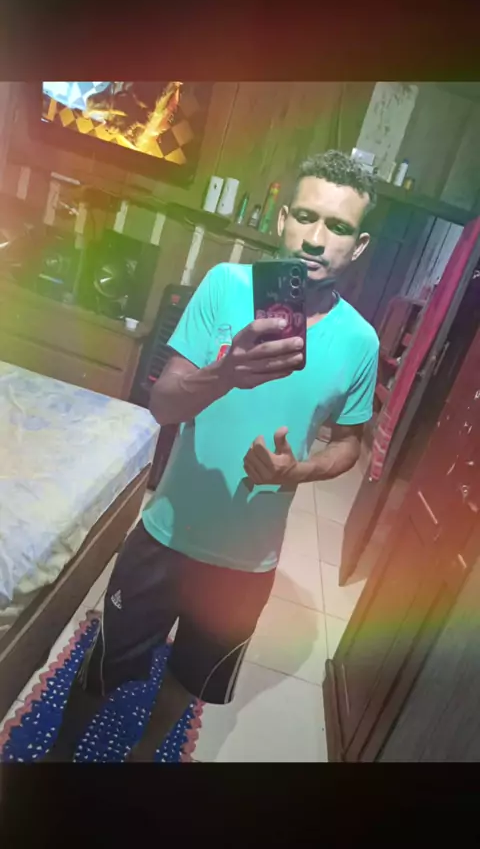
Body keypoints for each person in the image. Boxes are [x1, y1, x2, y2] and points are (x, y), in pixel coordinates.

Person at [44, 149, 379, 762]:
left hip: (248, 561)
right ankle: (59, 755)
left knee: (190, 680)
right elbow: (164, 404)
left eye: (337, 226)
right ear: (283, 219)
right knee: (106, 660)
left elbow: (350, 442)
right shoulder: (226, 286)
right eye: (306, 216)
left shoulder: (361, 341)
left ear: (358, 247)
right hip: (167, 534)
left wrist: (298, 471)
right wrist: (225, 373)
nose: (315, 238)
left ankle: (143, 758)